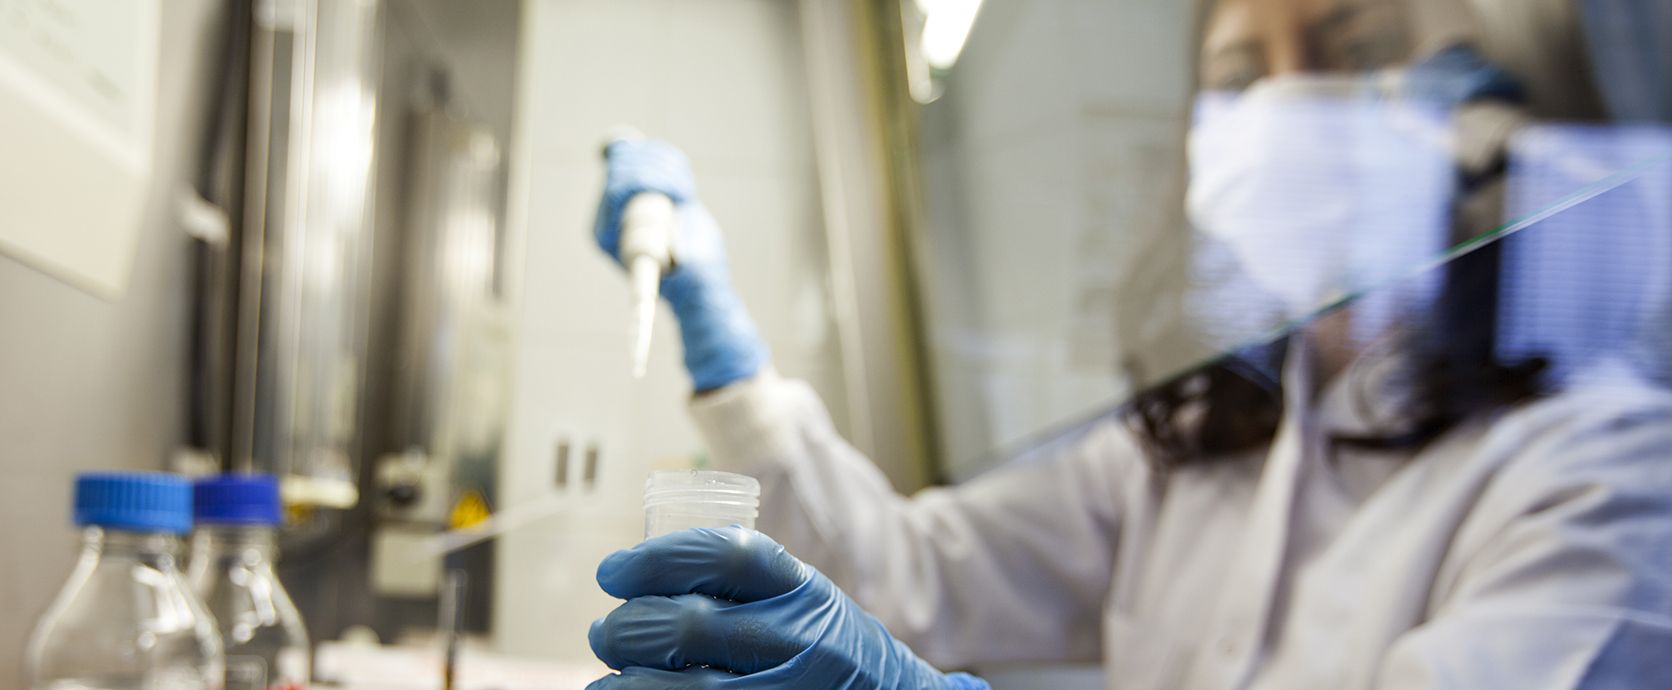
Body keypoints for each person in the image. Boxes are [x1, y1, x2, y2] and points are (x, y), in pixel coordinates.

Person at [582, 0, 1672, 688]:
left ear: (1495, 109)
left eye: (1360, 48)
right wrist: (732, 364)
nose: (1289, 102)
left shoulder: (1609, 475)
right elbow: (904, 577)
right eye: (1242, 77)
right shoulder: (1201, 435)